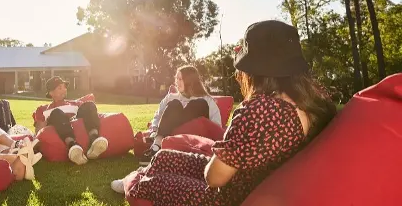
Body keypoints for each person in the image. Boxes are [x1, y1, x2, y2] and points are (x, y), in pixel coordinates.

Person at [111, 20, 337, 206]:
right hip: (248, 183)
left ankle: (133, 180)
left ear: (253, 71)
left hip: (227, 197)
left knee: (151, 182)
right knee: (163, 157)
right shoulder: (315, 105)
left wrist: (217, 156)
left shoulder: (259, 110)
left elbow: (214, 178)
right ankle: (137, 175)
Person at [139, 65, 222, 166]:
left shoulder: (207, 101)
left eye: (180, 79)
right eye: (176, 78)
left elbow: (216, 126)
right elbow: (158, 116)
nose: (177, 82)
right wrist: (154, 130)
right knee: (175, 104)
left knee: (199, 103)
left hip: (193, 139)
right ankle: (156, 147)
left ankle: (180, 146)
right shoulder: (171, 98)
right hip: (169, 134)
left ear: (190, 81)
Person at [33, 76, 108, 165]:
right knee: (57, 112)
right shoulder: (43, 109)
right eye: (60, 88)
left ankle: (94, 139)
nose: (64, 90)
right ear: (51, 92)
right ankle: (72, 146)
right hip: (61, 128)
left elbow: (91, 114)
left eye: (64, 87)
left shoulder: (75, 104)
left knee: (89, 105)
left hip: (77, 126)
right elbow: (39, 132)